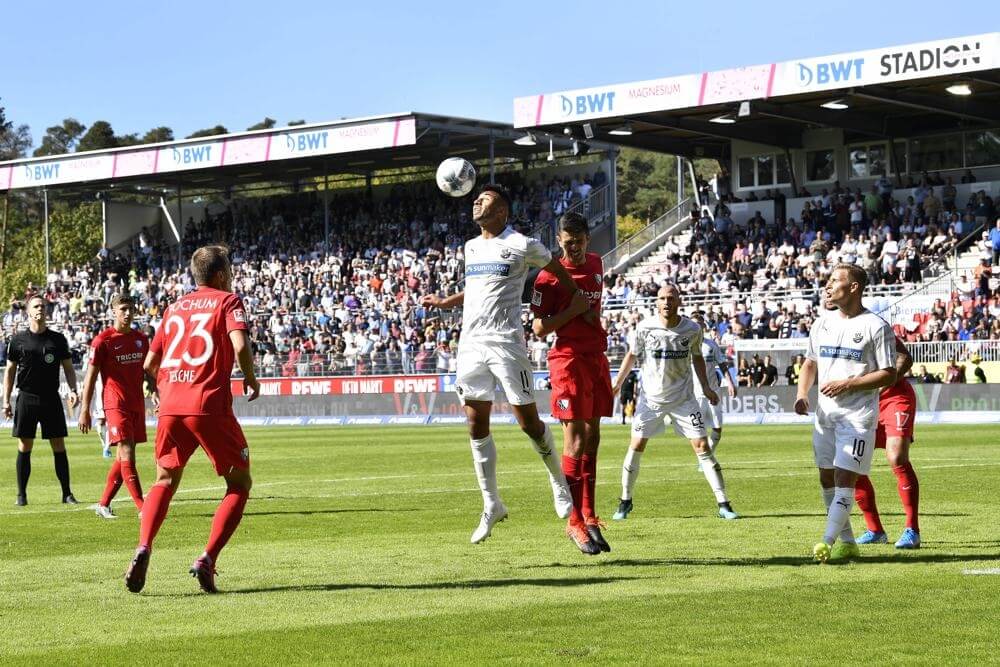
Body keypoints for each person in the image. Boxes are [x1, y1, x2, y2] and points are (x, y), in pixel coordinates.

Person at [419, 185, 585, 544]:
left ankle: (558, 483)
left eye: (486, 200)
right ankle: (492, 503)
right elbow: (478, 287)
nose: (477, 202)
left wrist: (576, 297)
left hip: (507, 344)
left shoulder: (523, 245)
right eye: (477, 199)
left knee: (528, 423)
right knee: (474, 421)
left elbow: (557, 270)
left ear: (502, 213)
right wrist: (448, 301)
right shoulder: (471, 246)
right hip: (471, 344)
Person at [124, 245, 261, 594]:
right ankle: (208, 558)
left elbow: (150, 365)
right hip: (208, 404)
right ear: (219, 275)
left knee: (164, 480)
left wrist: (159, 391)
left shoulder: (174, 307)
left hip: (171, 403)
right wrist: (250, 376)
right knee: (239, 484)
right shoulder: (228, 301)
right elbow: (241, 344)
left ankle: (143, 546)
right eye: (227, 269)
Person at [610, 284, 738, 522]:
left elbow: (698, 357)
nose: (666, 302)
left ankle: (724, 504)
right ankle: (625, 501)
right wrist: (617, 383)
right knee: (636, 445)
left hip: (683, 400)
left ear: (679, 301)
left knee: (702, 446)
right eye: (661, 298)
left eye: (670, 298)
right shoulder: (645, 327)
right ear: (656, 302)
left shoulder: (692, 329)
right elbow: (632, 355)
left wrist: (707, 387)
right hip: (651, 400)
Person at [795, 264, 896, 563]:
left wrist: (848, 383)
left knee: (843, 478)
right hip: (825, 415)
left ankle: (826, 542)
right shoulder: (821, 323)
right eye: (827, 280)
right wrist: (802, 394)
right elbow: (810, 363)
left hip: (858, 417)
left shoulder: (875, 327)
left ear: (854, 288)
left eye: (835, 280)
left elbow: (889, 374)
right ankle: (849, 541)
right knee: (827, 477)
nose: (827, 286)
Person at [530, 212, 613, 555]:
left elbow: (593, 306)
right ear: (559, 241)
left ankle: (590, 515)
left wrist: (587, 314)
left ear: (588, 240)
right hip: (567, 361)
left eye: (579, 242)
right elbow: (538, 329)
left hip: (596, 357)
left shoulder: (596, 264)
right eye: (568, 243)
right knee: (575, 438)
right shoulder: (547, 278)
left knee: (593, 436)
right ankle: (574, 521)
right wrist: (573, 311)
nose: (575, 249)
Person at [3, 295, 79, 506]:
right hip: (26, 398)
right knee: (24, 445)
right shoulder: (17, 340)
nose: (40, 309)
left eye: (43, 306)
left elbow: (69, 369)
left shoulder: (58, 339)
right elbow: (9, 372)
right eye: (36, 306)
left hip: (50, 398)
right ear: (28, 311)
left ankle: (67, 493)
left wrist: (73, 389)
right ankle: (21, 496)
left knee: (58, 445)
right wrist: (6, 401)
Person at [79, 295, 150, 519]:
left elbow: (148, 371)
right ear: (113, 312)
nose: (128, 313)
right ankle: (143, 508)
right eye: (123, 309)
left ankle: (103, 504)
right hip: (114, 403)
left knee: (124, 459)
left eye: (131, 309)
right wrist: (84, 410)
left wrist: (157, 393)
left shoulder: (141, 339)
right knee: (126, 451)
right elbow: (90, 377)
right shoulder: (103, 341)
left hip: (136, 403)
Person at [854, 338, 922, 549]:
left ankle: (912, 530)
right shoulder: (828, 329)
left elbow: (905, 358)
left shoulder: (875, 325)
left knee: (897, 457)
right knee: (852, 463)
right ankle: (875, 530)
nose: (828, 302)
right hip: (860, 402)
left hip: (893, 396)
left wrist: (883, 384)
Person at [690, 312, 736, 463]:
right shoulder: (685, 347)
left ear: (703, 326)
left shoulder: (711, 345)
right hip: (695, 395)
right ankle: (704, 460)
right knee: (698, 432)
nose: (697, 326)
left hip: (713, 392)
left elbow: (722, 365)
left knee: (717, 430)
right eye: (694, 323)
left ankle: (706, 457)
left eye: (699, 323)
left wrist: (729, 382)